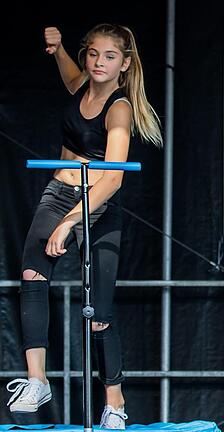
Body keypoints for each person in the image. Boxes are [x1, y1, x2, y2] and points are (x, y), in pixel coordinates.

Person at [6, 24, 162, 429]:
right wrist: (58, 50)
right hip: (59, 190)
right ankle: (37, 379)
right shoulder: (81, 86)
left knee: (100, 312)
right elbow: (69, 75)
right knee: (32, 273)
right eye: (93, 54)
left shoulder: (120, 107)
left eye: (109, 57)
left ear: (124, 65)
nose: (98, 62)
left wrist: (70, 221)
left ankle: (115, 400)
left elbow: (113, 178)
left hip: (98, 203)